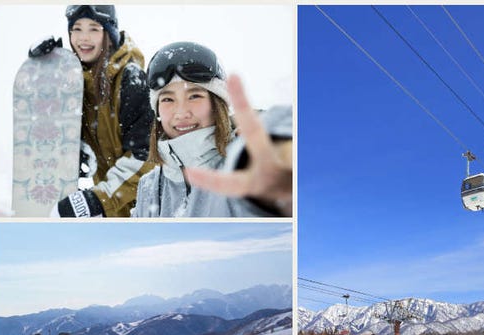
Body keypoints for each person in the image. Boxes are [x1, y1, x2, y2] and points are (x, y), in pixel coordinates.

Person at [132, 41, 292, 217]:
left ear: (217, 105)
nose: (181, 112)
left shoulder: (244, 170)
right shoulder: (148, 187)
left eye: (194, 96)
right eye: (168, 99)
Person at [32, 5, 154, 217]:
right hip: (111, 208)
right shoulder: (81, 79)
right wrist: (48, 70)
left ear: (109, 34)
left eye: (94, 29)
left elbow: (146, 158)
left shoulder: (130, 80)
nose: (83, 38)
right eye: (76, 29)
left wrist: (98, 199)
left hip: (139, 209)